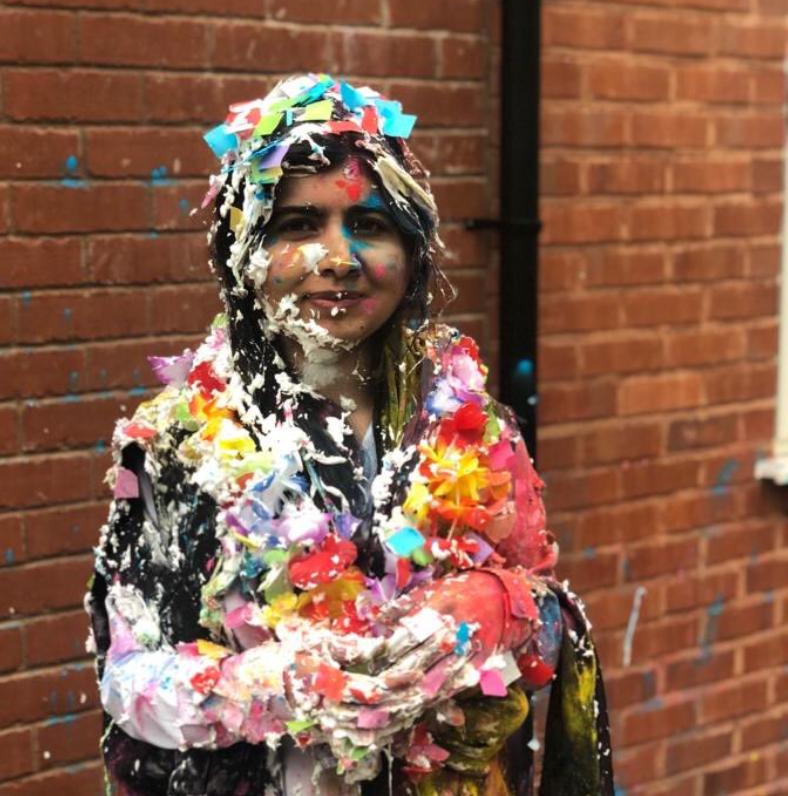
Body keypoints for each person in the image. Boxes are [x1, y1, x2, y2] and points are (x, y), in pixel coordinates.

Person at [87, 74, 614, 795]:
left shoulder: (472, 423)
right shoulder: (183, 445)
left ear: (412, 246)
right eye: (299, 225)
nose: (338, 258)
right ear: (243, 252)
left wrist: (500, 609)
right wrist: (285, 687)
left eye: (369, 224)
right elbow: (128, 679)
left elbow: (546, 614)